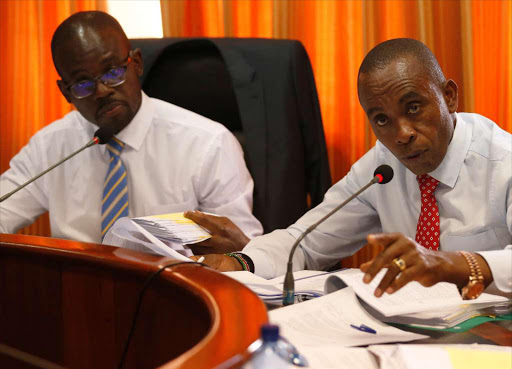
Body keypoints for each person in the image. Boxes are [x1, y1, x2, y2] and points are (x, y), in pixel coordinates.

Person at [187, 38, 512, 298]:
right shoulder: (381, 168)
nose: (402, 135)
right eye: (382, 120)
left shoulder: (503, 161)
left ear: (449, 96)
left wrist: (452, 264)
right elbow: (306, 240)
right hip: (411, 334)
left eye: (414, 107)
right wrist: (241, 261)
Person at [0, 11, 262, 243]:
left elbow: (242, 250)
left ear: (136, 64)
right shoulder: (49, 147)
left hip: (177, 291)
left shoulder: (208, 143)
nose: (102, 91)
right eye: (82, 84)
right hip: (79, 291)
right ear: (65, 92)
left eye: (113, 72)